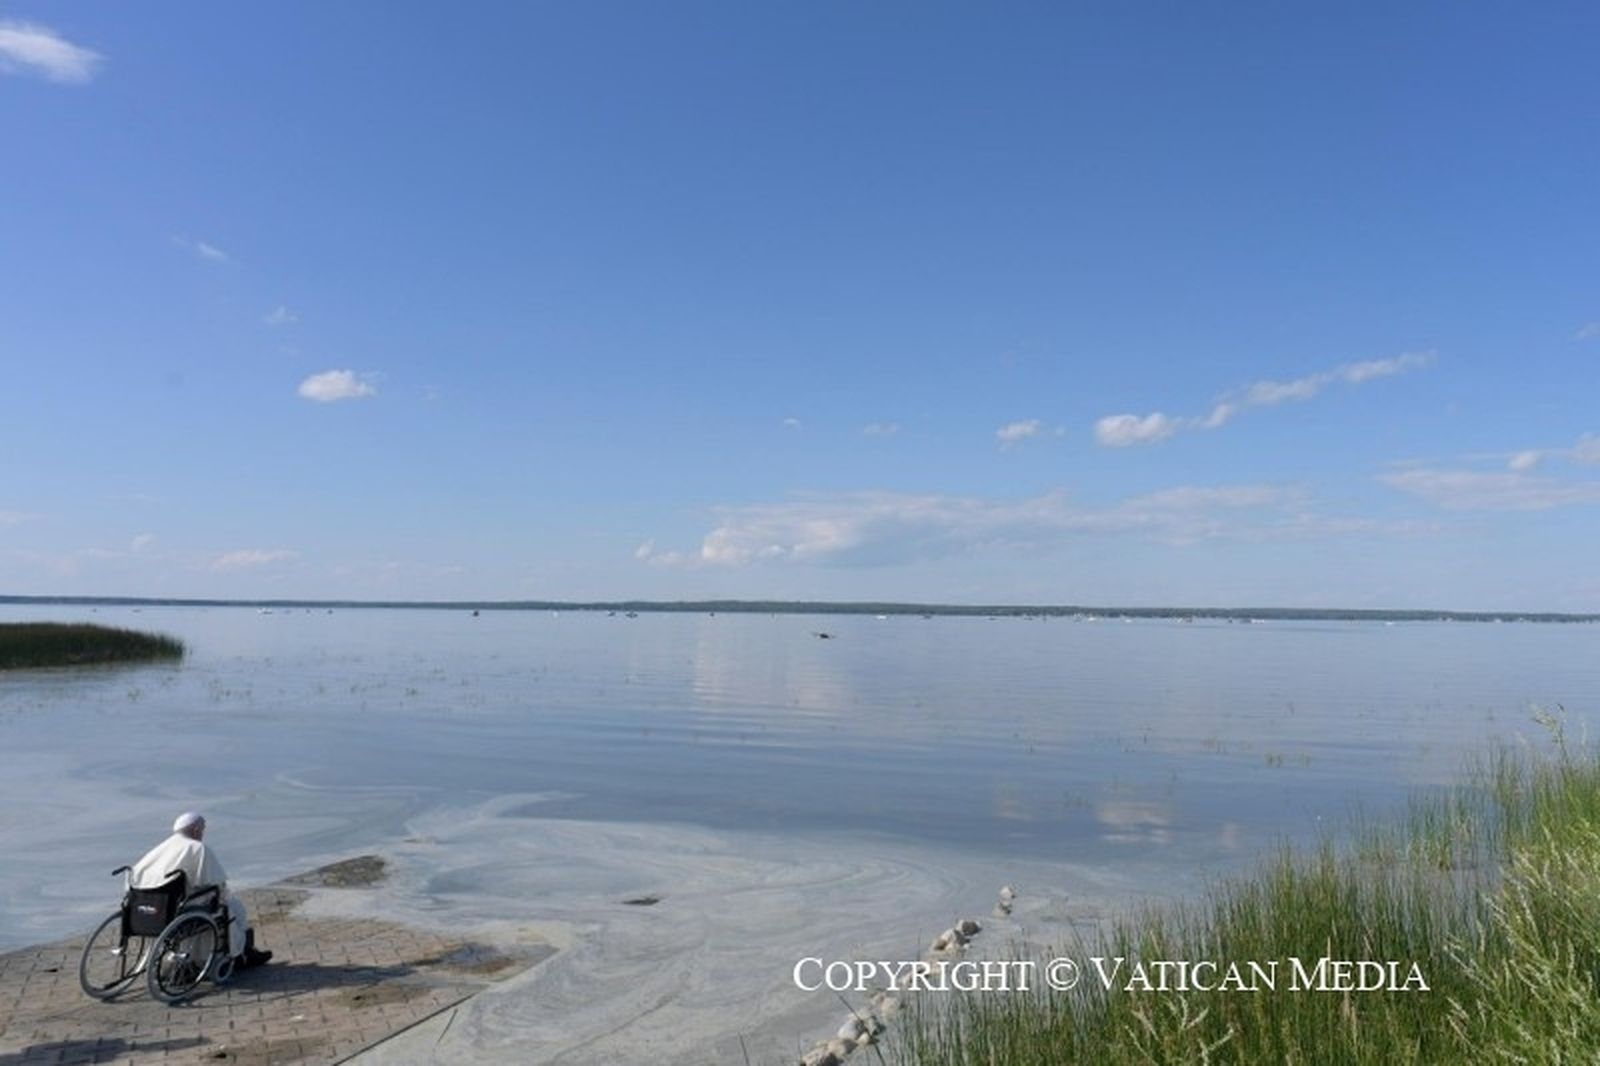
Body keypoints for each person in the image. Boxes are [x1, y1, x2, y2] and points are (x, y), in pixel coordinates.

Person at [131, 812, 272, 969]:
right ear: (196, 830)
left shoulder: (159, 850)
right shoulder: (198, 849)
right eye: (202, 830)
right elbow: (217, 884)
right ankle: (241, 954)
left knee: (225, 904)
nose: (202, 834)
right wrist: (223, 897)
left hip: (154, 908)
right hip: (184, 908)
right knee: (234, 908)